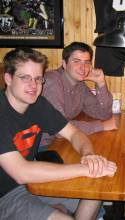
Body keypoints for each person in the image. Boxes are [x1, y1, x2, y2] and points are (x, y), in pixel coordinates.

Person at [0, 48, 117, 220]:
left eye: (38, 78)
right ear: (8, 78)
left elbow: (74, 134)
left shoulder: (38, 104)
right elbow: (21, 172)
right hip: (6, 195)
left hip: (32, 183)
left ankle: (59, 209)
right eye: (25, 78)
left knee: (96, 190)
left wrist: (89, 156)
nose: (33, 85)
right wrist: (84, 169)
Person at [40, 41, 117, 148]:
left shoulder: (80, 85)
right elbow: (59, 128)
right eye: (77, 61)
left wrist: (101, 83)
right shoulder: (52, 81)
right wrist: (101, 126)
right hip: (37, 146)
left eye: (87, 62)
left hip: (57, 142)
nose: (83, 67)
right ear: (64, 64)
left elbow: (103, 114)